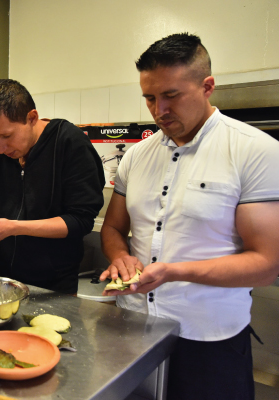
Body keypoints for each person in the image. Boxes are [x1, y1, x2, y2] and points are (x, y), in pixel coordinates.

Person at [99, 33, 279, 400]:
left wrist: (173, 271)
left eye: (171, 95)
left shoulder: (255, 151)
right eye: (149, 97)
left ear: (207, 86)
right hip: (136, 331)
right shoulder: (136, 156)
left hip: (208, 340)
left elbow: (266, 264)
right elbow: (114, 227)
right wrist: (120, 257)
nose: (158, 110)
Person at [0, 79, 105, 294]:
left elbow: (80, 221)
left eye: (6, 136)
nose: (0, 148)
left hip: (54, 283)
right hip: (3, 277)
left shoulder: (68, 143)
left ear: (32, 118)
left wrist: (15, 228)